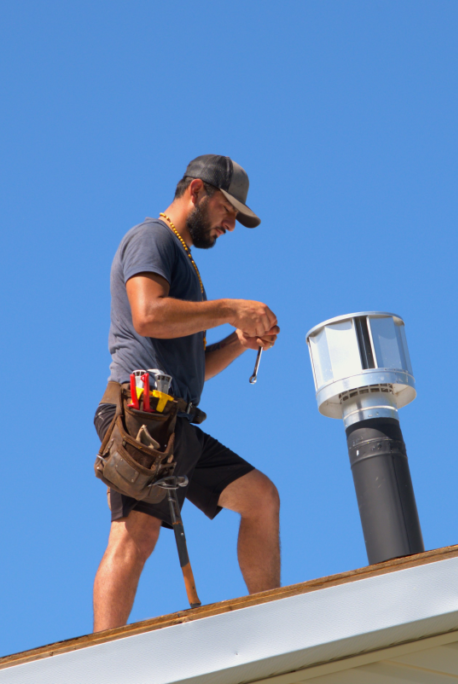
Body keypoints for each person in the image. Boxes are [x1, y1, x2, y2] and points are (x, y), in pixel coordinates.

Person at [92, 155, 281, 632]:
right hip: (142, 415)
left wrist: (238, 341)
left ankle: (277, 623)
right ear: (196, 191)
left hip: (172, 419)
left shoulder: (184, 261)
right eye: (228, 209)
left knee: (260, 499)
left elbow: (195, 368)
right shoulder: (152, 239)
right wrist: (231, 309)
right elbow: (148, 314)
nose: (231, 225)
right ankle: (98, 662)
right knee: (135, 535)